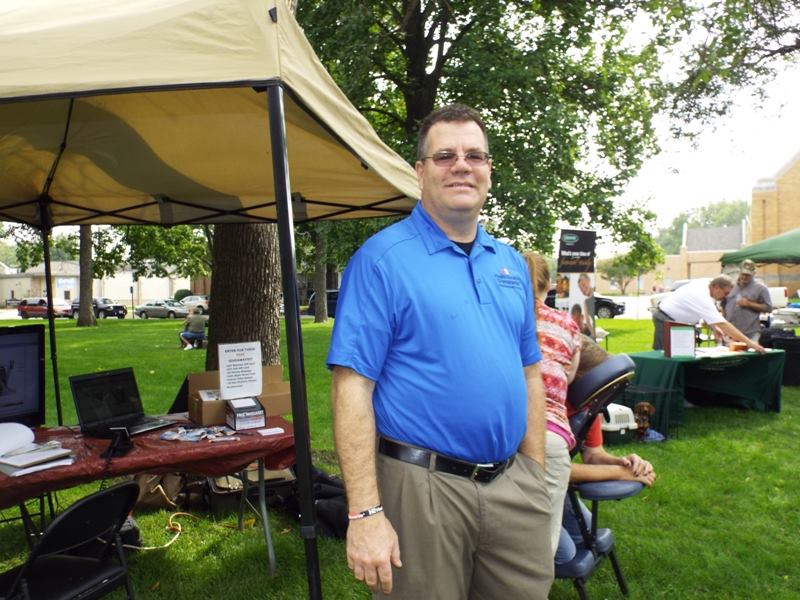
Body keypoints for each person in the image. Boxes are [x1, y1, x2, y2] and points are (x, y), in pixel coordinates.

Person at [327, 104, 552, 599]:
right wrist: (365, 513)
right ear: (420, 171)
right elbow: (351, 387)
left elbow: (529, 370)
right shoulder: (381, 260)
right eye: (445, 155)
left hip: (513, 486)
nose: (461, 166)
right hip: (421, 488)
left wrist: (534, 471)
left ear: (489, 169)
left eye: (475, 155)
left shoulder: (510, 264)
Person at [554, 337, 656, 565]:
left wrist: (624, 463)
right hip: (529, 486)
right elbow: (555, 468)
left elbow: (593, 455)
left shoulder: (589, 405)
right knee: (564, 554)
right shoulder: (552, 404)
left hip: (554, 485)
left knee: (585, 535)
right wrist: (619, 473)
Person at [525, 252, 582, 557]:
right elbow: (569, 376)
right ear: (549, 286)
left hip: (498, 432)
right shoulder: (567, 324)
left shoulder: (496, 319)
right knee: (540, 548)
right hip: (549, 435)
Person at [651, 275, 765, 352]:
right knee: (664, 355)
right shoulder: (702, 295)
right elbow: (723, 323)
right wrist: (749, 342)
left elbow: (705, 313)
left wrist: (714, 327)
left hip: (679, 323)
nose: (726, 297)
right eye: (725, 293)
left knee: (682, 353)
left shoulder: (708, 285)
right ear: (716, 288)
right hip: (665, 320)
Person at [722, 260, 771, 342]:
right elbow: (723, 305)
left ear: (754, 274)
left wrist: (749, 304)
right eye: (743, 274)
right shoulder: (731, 286)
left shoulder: (761, 288)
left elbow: (769, 308)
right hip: (731, 332)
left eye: (748, 275)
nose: (744, 277)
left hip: (750, 333)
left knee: (750, 350)